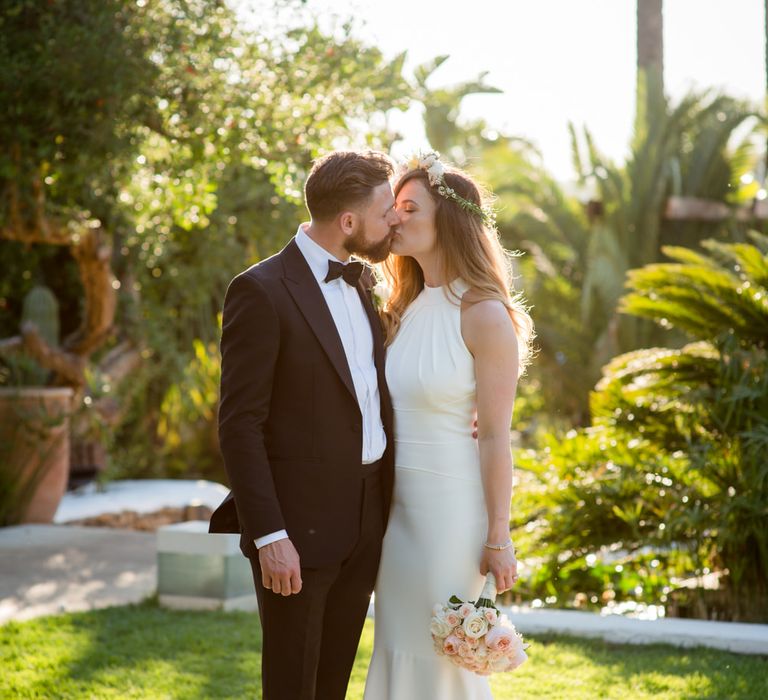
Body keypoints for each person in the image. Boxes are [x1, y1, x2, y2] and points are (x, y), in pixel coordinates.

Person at [209, 149, 400, 700]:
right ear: (348, 222)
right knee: (292, 685)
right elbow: (239, 424)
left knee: (333, 681)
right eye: (386, 209)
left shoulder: (365, 283)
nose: (393, 220)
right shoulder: (261, 291)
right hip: (295, 530)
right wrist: (270, 535)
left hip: (366, 519)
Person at [364, 153, 534, 699]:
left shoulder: (484, 314)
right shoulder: (402, 308)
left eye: (409, 208)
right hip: (395, 511)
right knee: (398, 643)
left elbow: (495, 436)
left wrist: (499, 536)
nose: (394, 218)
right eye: (393, 206)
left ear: (449, 221)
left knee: (442, 658)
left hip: (450, 516)